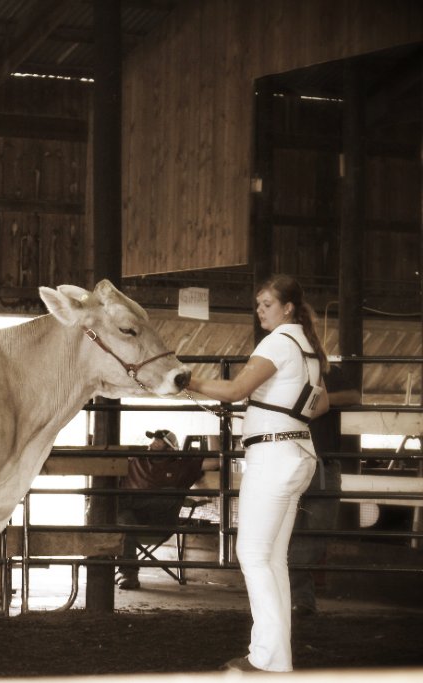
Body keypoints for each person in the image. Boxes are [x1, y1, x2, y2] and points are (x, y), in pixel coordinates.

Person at [187, 274, 330, 673]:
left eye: (266, 303)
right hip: (298, 451)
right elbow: (320, 406)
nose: (260, 310)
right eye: (258, 304)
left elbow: (235, 391)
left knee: (252, 554)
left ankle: (267, 659)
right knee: (272, 558)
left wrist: (188, 381)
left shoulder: (278, 342)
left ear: (287, 308)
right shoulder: (309, 350)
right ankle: (273, 658)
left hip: (273, 455)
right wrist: (278, 405)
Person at [289, 363, 360, 617]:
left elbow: (354, 396)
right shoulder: (279, 367)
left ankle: (297, 596)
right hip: (291, 461)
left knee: (316, 530)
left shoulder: (327, 369)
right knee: (292, 530)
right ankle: (301, 599)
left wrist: (318, 400)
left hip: (322, 461)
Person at [115, 429, 217, 590]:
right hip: (133, 521)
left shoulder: (181, 464)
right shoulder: (136, 459)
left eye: (159, 440)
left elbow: (216, 462)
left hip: (160, 521)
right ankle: (129, 574)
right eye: (153, 439)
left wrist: (214, 429)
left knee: (168, 495)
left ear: (170, 448)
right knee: (124, 519)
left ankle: (123, 500)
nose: (153, 442)